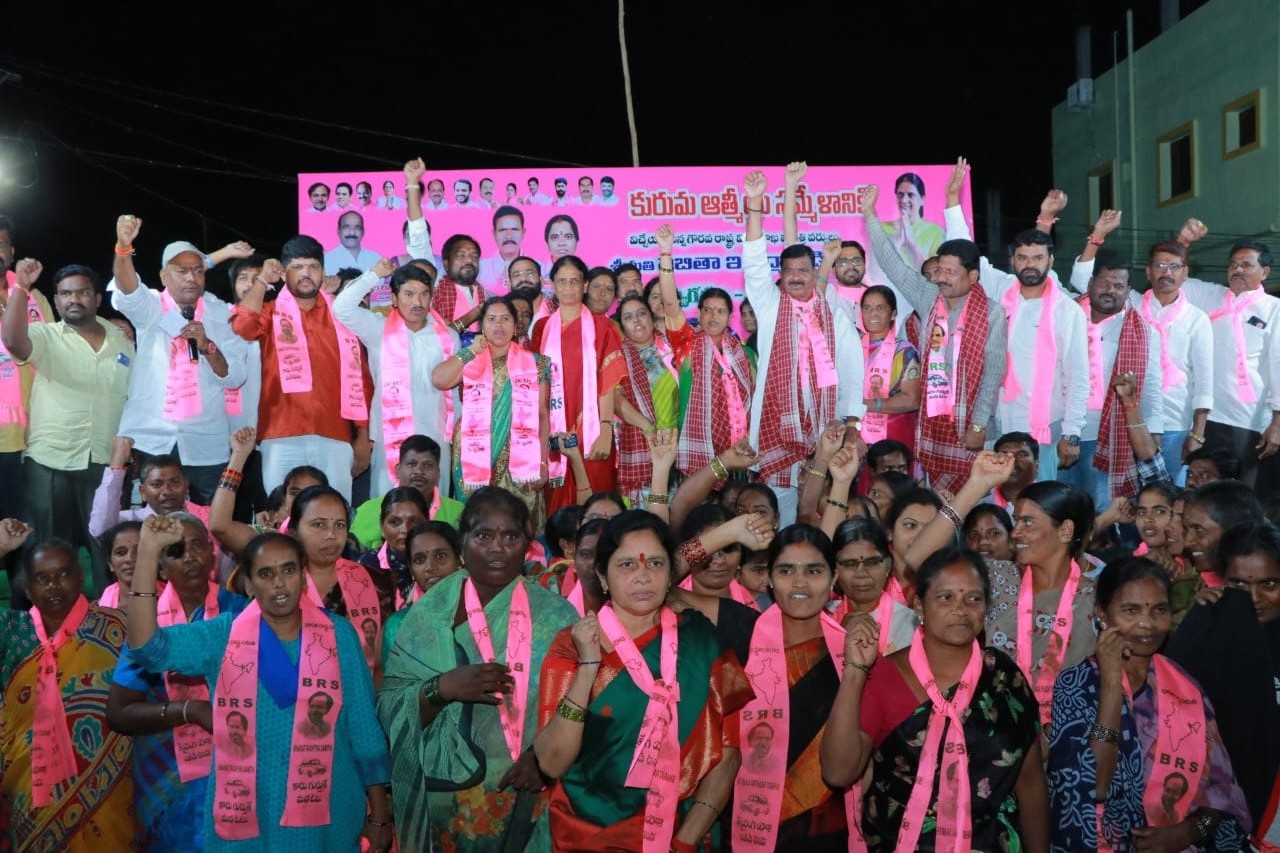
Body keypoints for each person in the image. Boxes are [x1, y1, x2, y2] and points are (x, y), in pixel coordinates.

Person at [124, 521, 394, 851]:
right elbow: (147, 649)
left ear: (303, 577)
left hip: (329, 809)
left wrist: (380, 814)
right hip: (248, 812)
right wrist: (149, 551)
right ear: (249, 585)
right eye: (265, 574)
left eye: (289, 570)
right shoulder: (222, 636)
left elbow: (364, 728)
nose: (279, 583)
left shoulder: (338, 635)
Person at [535, 511, 754, 852]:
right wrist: (589, 667)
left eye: (655, 564)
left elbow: (728, 753)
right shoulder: (572, 645)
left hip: (681, 834)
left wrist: (685, 840)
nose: (642, 576)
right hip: (585, 836)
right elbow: (551, 762)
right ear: (602, 577)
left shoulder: (702, 642)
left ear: (670, 575)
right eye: (626, 565)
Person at [378, 487, 578, 851]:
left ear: (527, 544)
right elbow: (389, 712)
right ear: (463, 544)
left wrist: (544, 759)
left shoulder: (559, 617)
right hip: (447, 807)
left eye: (511, 536)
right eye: (484, 535)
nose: (498, 547)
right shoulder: (427, 618)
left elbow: (580, 706)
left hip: (533, 797)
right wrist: (442, 688)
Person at [820, 546, 1049, 852]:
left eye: (973, 598)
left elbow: (1030, 785)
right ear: (918, 606)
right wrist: (855, 671)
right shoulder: (885, 677)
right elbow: (838, 773)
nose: (961, 609)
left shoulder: (1005, 678)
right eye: (946, 597)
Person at [1047, 557, 1251, 851]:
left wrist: (1189, 832)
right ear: (1102, 614)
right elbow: (1096, 786)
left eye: (1159, 610)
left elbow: (1222, 794)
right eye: (1131, 610)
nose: (1147, 624)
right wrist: (1112, 683)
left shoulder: (1186, 687)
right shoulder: (1075, 685)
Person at [106, 512, 249, 852]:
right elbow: (119, 712)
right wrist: (187, 711)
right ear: (159, 567)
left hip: (237, 770)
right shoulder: (147, 623)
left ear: (213, 555)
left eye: (198, 545)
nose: (190, 557)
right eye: (176, 551)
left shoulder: (241, 612)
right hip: (165, 780)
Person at [942, 163, 1090, 482]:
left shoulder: (1068, 311)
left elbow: (1078, 376)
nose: (1030, 265)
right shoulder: (1002, 290)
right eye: (1022, 258)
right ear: (1013, 260)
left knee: (1041, 505)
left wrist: (1073, 433)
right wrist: (952, 200)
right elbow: (967, 253)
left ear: (1050, 261)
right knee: (1002, 507)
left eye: (1038, 258)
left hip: (1047, 428)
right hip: (999, 422)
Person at [862, 182, 1005, 493]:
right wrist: (870, 217)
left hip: (975, 428)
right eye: (940, 270)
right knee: (936, 505)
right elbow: (893, 265)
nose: (941, 278)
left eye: (950, 272)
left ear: (973, 277)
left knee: (975, 506)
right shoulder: (928, 297)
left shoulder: (992, 313)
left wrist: (979, 425)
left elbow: (993, 373)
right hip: (933, 429)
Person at [1, 259, 133, 594]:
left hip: (104, 461)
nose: (74, 299)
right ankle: (39, 631)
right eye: (65, 294)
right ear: (56, 301)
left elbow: (135, 397)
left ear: (97, 298)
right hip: (50, 461)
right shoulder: (45, 336)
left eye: (83, 292)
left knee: (105, 548)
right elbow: (13, 340)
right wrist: (21, 288)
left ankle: (109, 623)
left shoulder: (122, 340)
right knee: (45, 550)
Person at [0, 533, 135, 851]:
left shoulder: (116, 629)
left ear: (80, 577)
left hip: (108, 793)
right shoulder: (13, 633)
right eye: (42, 578)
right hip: (26, 792)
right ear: (28, 589)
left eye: (63, 574)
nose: (53, 586)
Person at [742, 171, 864, 524]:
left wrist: (852, 422)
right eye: (789, 270)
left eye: (803, 270)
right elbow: (753, 262)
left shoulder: (832, 314)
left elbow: (852, 369)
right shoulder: (768, 304)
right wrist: (754, 206)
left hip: (823, 436)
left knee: (818, 519)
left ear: (815, 274)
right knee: (779, 519)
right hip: (775, 434)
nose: (796, 276)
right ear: (780, 275)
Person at [729, 524, 857, 850]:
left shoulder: (854, 654)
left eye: (813, 570)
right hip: (745, 823)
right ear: (769, 578)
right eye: (786, 570)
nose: (800, 582)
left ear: (833, 579)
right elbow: (671, 580)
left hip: (828, 832)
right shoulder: (739, 641)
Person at [231, 235, 373, 501]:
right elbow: (243, 326)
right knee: (282, 517)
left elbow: (362, 378)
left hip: (335, 434)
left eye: (313, 267)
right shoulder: (271, 312)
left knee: (335, 516)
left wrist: (365, 436)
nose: (306, 274)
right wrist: (262, 279)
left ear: (323, 272)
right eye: (297, 267)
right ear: (284, 274)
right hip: (280, 433)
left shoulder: (341, 315)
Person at [1169, 523, 1280, 845]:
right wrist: (1199, 620)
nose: (1254, 598)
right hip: (1212, 807)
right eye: (1239, 585)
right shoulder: (1207, 629)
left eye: (1269, 584)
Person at [335, 258, 456, 497]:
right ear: (393, 298)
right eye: (409, 294)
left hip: (436, 435)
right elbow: (342, 308)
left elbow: (453, 392)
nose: (417, 302)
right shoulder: (378, 328)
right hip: (390, 439)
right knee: (390, 505)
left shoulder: (447, 335)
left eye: (423, 294)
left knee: (434, 507)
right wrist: (374, 274)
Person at [1175, 226, 1280, 500]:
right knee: (1208, 496)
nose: (1238, 270)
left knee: (1247, 498)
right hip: (1208, 420)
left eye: (1247, 265)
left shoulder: (1274, 309)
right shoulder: (1212, 297)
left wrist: (1277, 423)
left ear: (1265, 272)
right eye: (1233, 264)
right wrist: (1183, 242)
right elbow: (1175, 278)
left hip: (1252, 422)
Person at [434, 296, 553, 530]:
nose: (498, 326)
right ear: (482, 325)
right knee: (477, 522)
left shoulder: (535, 363)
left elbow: (541, 414)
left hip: (520, 456)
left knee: (516, 523)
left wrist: (542, 462)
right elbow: (439, 380)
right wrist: (470, 351)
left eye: (505, 319)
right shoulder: (471, 359)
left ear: (515, 324)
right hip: (472, 452)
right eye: (491, 319)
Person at [1059, 241, 1162, 508]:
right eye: (1104, 283)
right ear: (1091, 283)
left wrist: (1154, 431)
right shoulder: (1063, 316)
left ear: (1128, 291)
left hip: (1108, 436)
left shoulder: (1143, 332)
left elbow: (1150, 385)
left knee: (1101, 513)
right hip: (1058, 430)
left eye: (1119, 286)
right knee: (1057, 509)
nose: (1110, 291)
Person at [651, 225, 756, 482]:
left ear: (730, 317)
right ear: (698, 313)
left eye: (720, 311)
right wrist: (666, 253)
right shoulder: (687, 343)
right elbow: (670, 305)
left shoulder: (746, 354)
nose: (713, 316)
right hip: (700, 453)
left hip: (741, 451)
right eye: (708, 310)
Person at [531, 255, 625, 512]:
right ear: (553, 285)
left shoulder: (602, 326)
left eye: (575, 281)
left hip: (592, 429)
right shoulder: (541, 328)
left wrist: (606, 429)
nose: (569, 287)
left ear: (584, 286)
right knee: (558, 508)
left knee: (597, 504)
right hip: (553, 431)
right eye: (562, 281)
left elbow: (608, 382)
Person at [0, 216, 54, 525]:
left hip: (28, 438)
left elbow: (54, 354)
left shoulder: (34, 298)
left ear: (11, 251)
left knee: (26, 531)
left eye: (2, 244)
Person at [613, 292, 683, 504]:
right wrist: (647, 427)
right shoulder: (617, 357)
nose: (636, 320)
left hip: (679, 443)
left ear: (652, 318)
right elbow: (615, 399)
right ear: (622, 326)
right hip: (641, 444)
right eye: (628, 317)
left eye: (642, 313)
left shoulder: (675, 349)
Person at [349, 433, 464, 549]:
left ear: (438, 474)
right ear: (398, 470)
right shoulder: (368, 510)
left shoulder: (458, 512)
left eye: (428, 465)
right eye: (412, 464)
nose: (418, 471)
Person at [829, 517, 919, 654]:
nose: (861, 573)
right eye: (850, 564)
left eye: (871, 562)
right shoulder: (823, 617)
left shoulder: (909, 623)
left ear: (888, 566)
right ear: (835, 570)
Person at [379, 520, 461, 658]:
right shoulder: (398, 625)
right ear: (411, 569)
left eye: (440, 556)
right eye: (419, 560)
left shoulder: (483, 616)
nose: (430, 566)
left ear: (459, 560)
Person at [858, 286, 920, 450]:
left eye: (880, 308)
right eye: (867, 308)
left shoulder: (904, 351)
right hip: (856, 438)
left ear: (892, 314)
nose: (873, 314)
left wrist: (862, 405)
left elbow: (912, 400)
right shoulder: (852, 346)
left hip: (894, 438)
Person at [357, 486, 428, 605]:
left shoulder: (439, 562)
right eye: (395, 522)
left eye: (414, 521)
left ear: (427, 523)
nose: (405, 529)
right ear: (382, 527)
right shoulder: (367, 565)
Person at [433, 234, 488, 338]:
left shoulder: (485, 294)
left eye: (474, 256)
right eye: (461, 255)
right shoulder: (435, 288)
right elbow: (442, 336)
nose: (469, 261)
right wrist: (475, 314)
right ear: (446, 263)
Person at [96, 520, 147, 608]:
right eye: (121, 552)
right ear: (110, 563)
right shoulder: (98, 610)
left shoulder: (174, 599)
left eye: (139, 551)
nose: (129, 559)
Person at [479, 205, 527, 294]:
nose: (509, 235)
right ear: (494, 233)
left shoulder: (540, 268)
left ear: (523, 232)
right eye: (502, 230)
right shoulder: (480, 269)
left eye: (514, 229)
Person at [324, 211, 381, 275]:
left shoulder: (376, 258)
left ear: (363, 232)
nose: (352, 232)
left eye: (357, 227)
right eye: (346, 227)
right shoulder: (327, 260)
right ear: (338, 231)